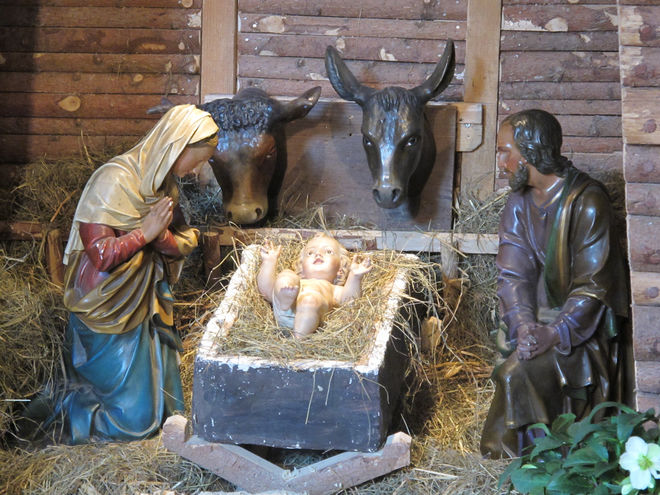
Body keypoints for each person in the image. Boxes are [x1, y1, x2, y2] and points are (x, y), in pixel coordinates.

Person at [36, 104, 218, 444]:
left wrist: (173, 241)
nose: (197, 170)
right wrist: (146, 234)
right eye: (197, 159)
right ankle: (71, 415)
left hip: (146, 303)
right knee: (132, 421)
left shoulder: (163, 184)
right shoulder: (113, 180)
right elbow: (101, 256)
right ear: (174, 147)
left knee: (164, 409)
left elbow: (171, 237)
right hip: (106, 308)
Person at [479, 109, 629, 459]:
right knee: (511, 360)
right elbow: (513, 273)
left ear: (530, 153)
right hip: (537, 323)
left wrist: (554, 333)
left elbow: (593, 286)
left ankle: (540, 455)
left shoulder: (588, 202)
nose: (501, 160)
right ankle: (530, 454)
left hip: (581, 330)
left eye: (505, 150)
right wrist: (523, 324)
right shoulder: (518, 203)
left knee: (517, 371)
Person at [257, 233, 372, 338]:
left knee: (311, 299)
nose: (318, 254)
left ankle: (298, 340)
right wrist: (269, 262)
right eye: (310, 253)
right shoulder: (297, 280)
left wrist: (355, 277)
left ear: (340, 269)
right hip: (283, 309)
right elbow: (266, 291)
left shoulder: (333, 289)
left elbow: (349, 301)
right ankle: (285, 300)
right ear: (301, 268)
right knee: (286, 275)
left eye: (328, 252)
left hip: (309, 318)